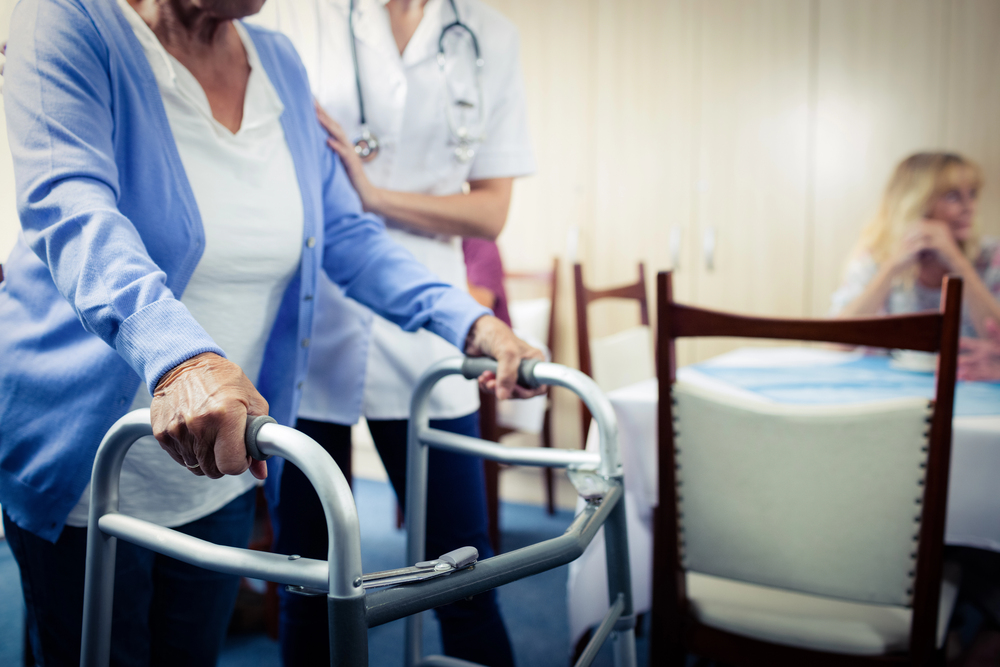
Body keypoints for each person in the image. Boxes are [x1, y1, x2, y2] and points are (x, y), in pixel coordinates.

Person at [0, 0, 541, 662]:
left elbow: (347, 235)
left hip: (221, 463)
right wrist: (183, 360)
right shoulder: (65, 19)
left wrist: (472, 322)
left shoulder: (278, 63)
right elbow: (74, 212)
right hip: (86, 460)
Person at [252, 1, 534, 664]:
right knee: (309, 584)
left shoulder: (489, 36)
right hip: (313, 307)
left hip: (431, 319)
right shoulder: (298, 18)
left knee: (465, 577)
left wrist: (373, 196)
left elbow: (490, 211)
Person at [831, 152, 1000, 340]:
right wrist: (891, 269)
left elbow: (996, 338)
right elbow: (836, 342)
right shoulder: (877, 256)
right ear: (918, 203)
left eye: (973, 194)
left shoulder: (991, 256)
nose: (970, 207)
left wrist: (958, 262)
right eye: (953, 196)